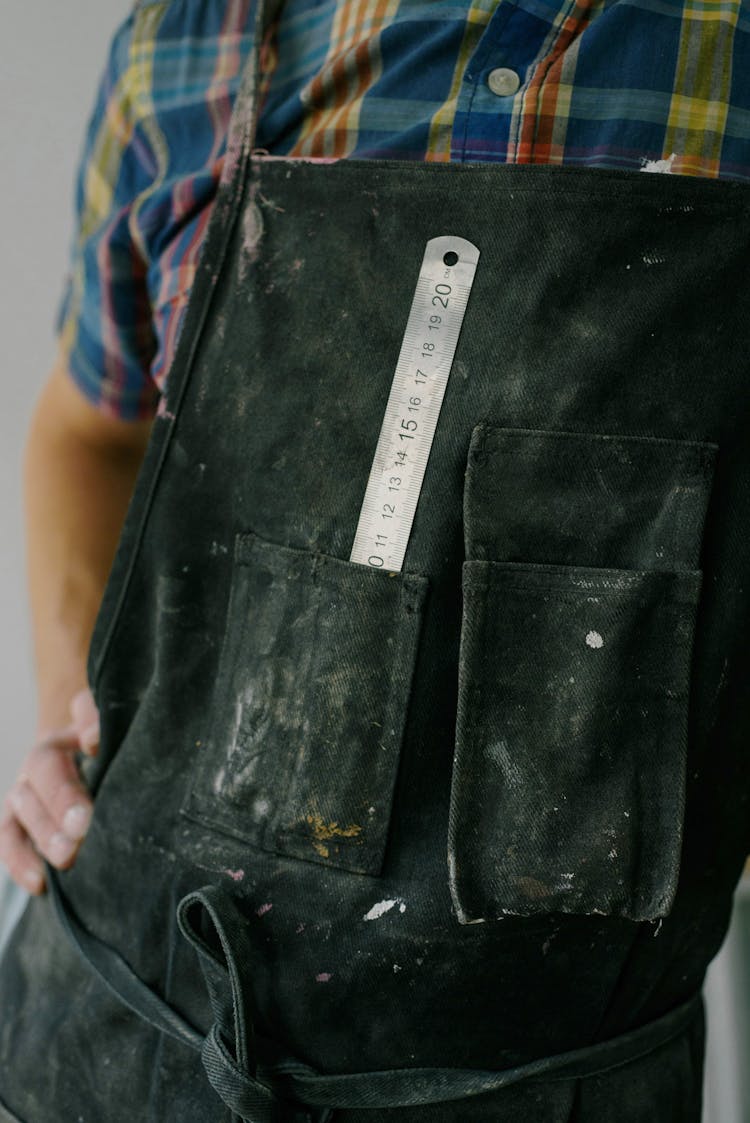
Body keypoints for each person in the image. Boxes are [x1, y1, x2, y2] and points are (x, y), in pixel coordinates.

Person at [1, 0, 749, 1119]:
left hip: (543, 1082)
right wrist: (76, 707)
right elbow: (85, 427)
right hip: (122, 1038)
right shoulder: (184, 44)